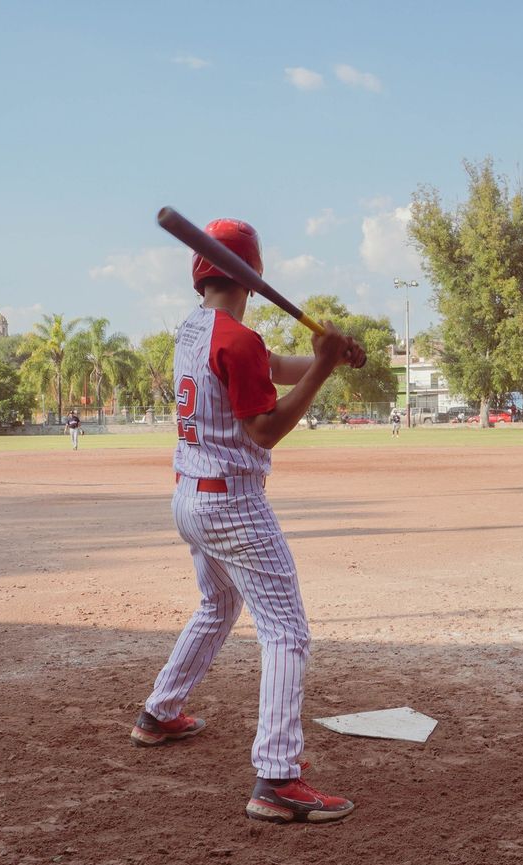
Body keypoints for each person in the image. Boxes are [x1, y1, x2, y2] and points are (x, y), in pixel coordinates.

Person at [131, 217, 366, 825]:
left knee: (217, 607)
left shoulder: (195, 331)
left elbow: (265, 365)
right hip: (233, 503)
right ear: (252, 277)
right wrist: (319, 368)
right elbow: (265, 428)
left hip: (190, 496)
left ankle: (160, 711)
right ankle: (278, 777)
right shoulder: (235, 339)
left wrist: (327, 359)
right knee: (286, 630)